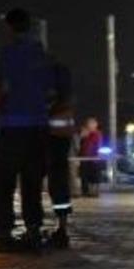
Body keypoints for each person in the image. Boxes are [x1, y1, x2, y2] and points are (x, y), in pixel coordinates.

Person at [0, 8, 51, 253]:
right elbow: (50, 88)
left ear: (11, 27)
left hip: (14, 126)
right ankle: (33, 232)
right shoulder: (41, 54)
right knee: (32, 182)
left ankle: (5, 235)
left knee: (3, 182)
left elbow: (3, 85)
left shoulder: (10, 53)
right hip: (38, 127)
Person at [44, 60, 75, 248]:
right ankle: (61, 228)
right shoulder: (62, 103)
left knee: (57, 186)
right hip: (56, 147)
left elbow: (58, 128)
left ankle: (61, 229)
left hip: (54, 147)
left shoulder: (59, 105)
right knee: (58, 186)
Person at [77, 117, 104, 197]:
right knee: (84, 175)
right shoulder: (83, 133)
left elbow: (97, 145)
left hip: (94, 158)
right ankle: (85, 191)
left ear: (96, 125)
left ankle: (94, 191)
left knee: (94, 175)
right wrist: (82, 135)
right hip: (84, 157)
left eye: (92, 123)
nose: (90, 125)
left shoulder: (97, 134)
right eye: (89, 123)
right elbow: (79, 143)